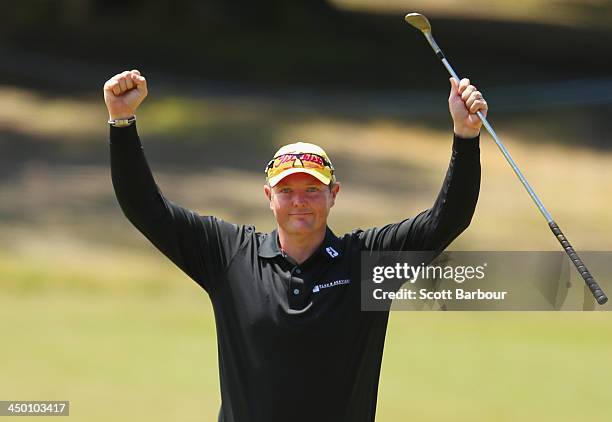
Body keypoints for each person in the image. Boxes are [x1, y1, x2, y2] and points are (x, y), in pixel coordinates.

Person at [104, 69, 487, 422]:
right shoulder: (229, 255)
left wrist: (465, 138)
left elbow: (446, 220)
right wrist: (121, 121)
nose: (299, 201)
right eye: (287, 190)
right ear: (269, 196)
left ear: (333, 194)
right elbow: (145, 209)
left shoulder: (366, 264)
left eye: (312, 190)